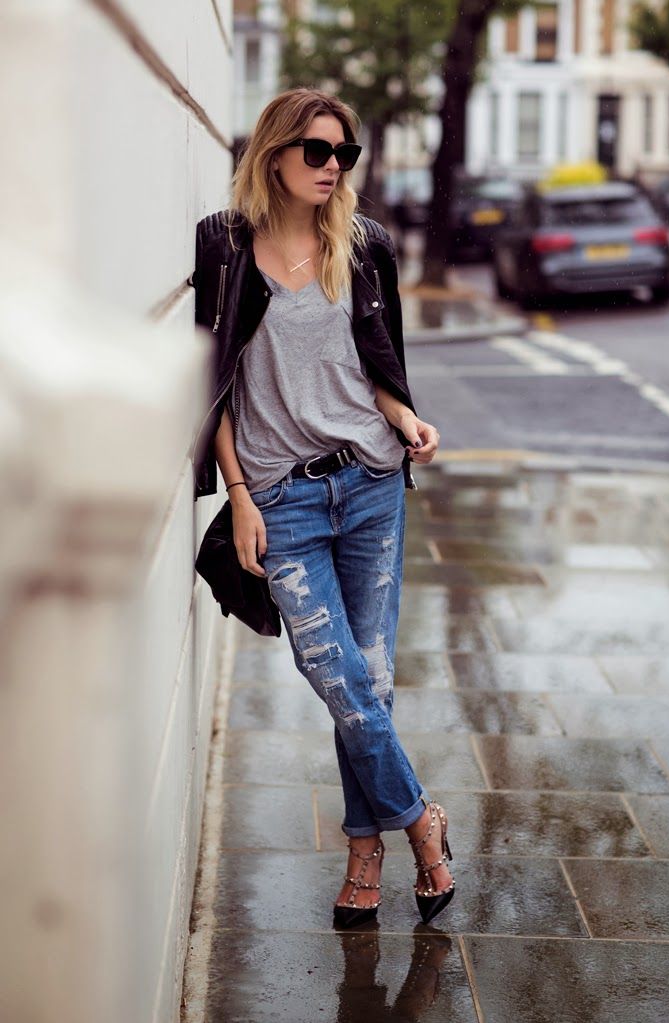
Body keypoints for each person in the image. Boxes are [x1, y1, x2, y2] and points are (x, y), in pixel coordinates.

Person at [192, 88, 454, 929]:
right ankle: (420, 820)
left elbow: (379, 363)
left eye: (345, 153)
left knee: (367, 680)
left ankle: (362, 848)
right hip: (282, 497)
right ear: (274, 153)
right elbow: (214, 387)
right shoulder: (225, 248)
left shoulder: (365, 244)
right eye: (317, 150)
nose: (333, 166)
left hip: (371, 484)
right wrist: (237, 494)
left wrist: (407, 418)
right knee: (338, 676)